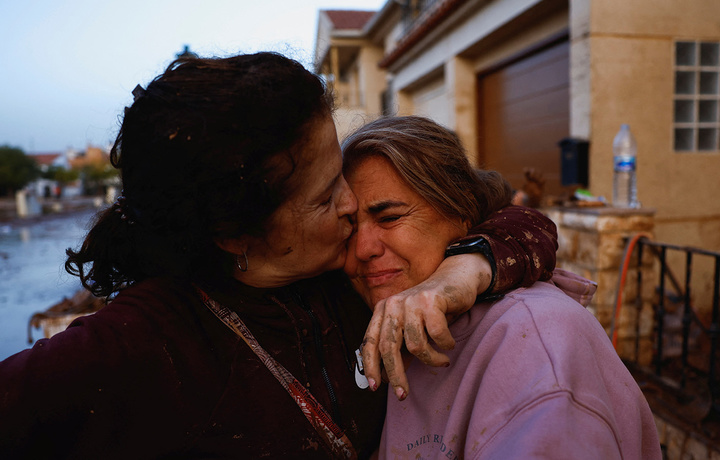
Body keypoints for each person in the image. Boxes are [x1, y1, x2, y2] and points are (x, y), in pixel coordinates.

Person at [0, 54, 557, 459]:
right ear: (233, 235)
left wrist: (463, 270)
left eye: (340, 174)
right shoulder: (147, 341)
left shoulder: (344, 271)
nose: (349, 205)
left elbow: (519, 219)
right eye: (324, 197)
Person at [342, 116, 662, 459]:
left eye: (389, 218)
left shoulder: (537, 347)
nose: (363, 248)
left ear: (461, 210)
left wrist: (466, 266)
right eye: (347, 225)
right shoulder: (356, 310)